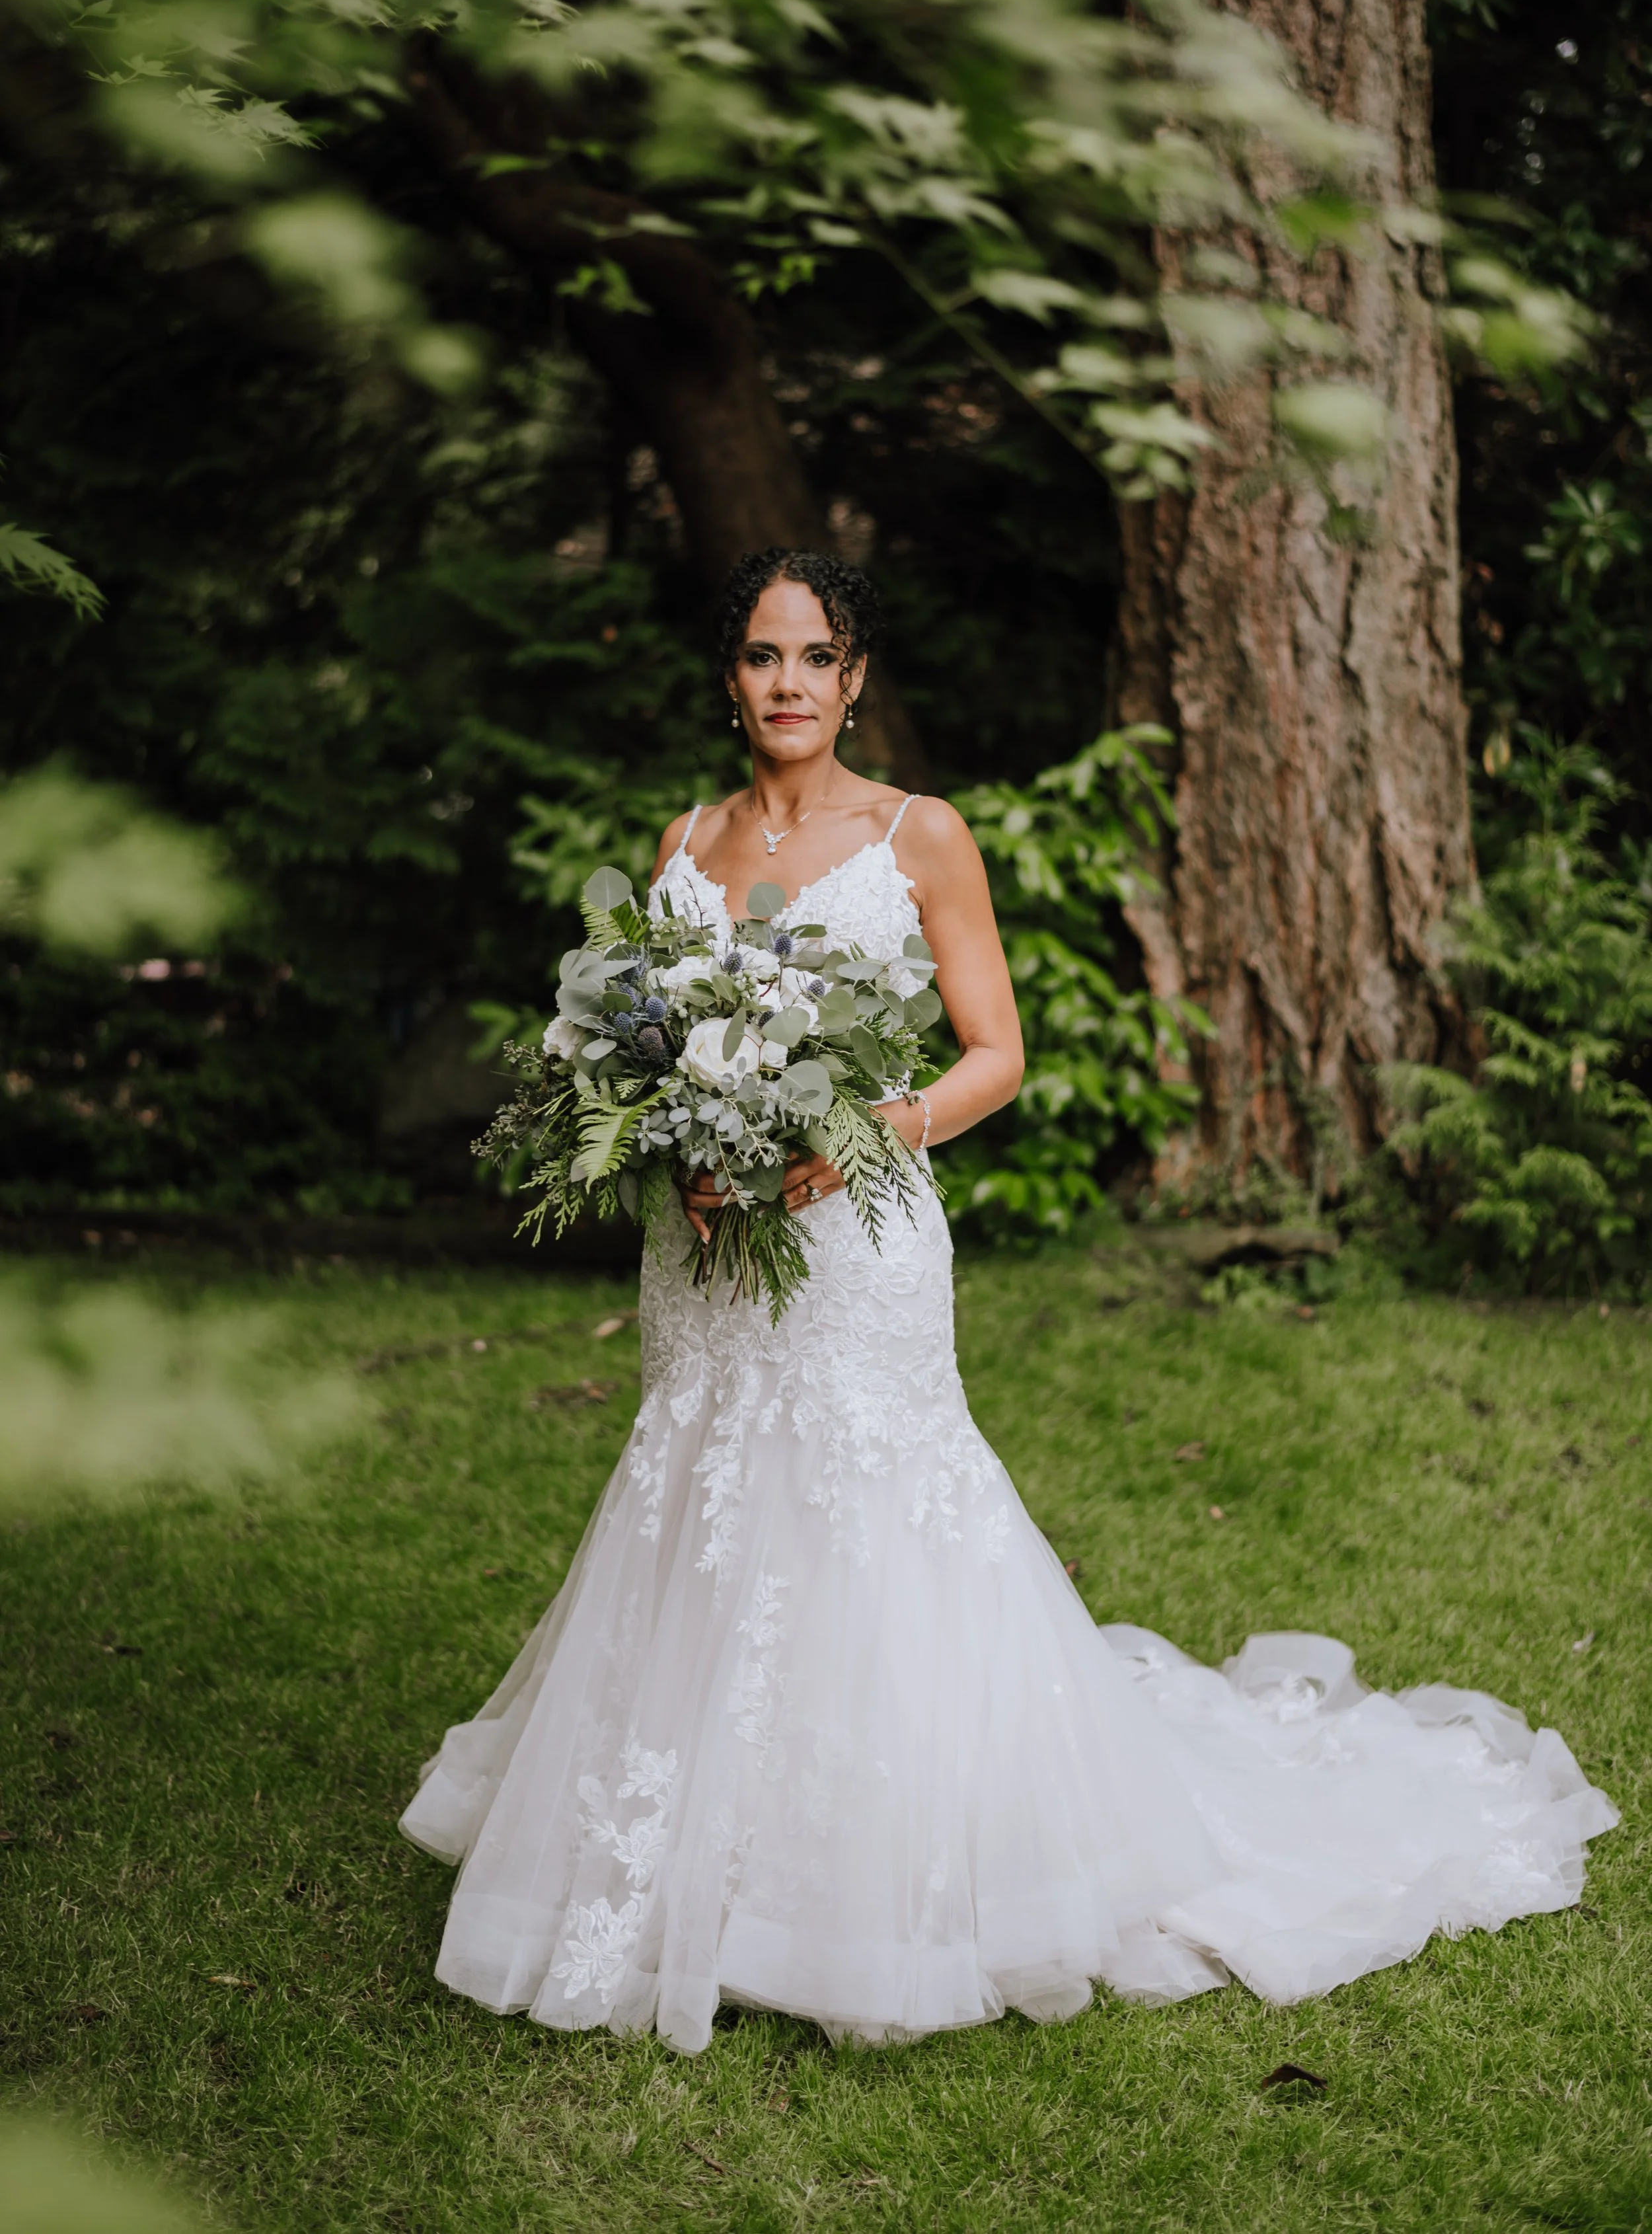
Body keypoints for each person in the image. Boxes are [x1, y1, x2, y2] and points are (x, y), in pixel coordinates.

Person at [401, 549, 1617, 2055]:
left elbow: (993, 1054)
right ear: (730, 678)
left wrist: (851, 1139)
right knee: (702, 1490)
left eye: (816, 657)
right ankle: (679, 1849)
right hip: (706, 1251)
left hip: (853, 1241)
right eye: (762, 655)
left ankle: (877, 1869)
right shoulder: (684, 838)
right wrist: (672, 1142)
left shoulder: (919, 835)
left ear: (853, 680)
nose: (787, 684)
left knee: (863, 1510)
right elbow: (641, 1051)